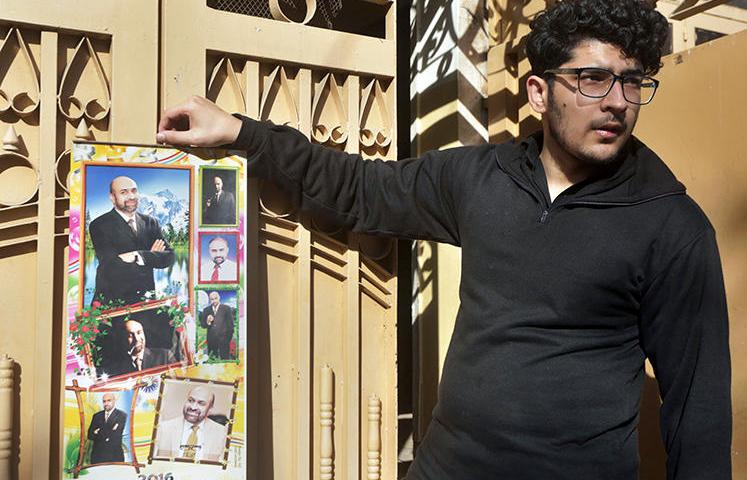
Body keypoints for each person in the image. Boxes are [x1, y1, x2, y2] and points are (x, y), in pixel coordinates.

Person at [156, 1, 731, 478]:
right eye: (592, 78)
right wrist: (242, 133)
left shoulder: (671, 226)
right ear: (538, 92)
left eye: (633, 82)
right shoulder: (479, 178)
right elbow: (362, 189)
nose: (616, 102)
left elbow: (696, 411)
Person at [89, 175, 176, 305]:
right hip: (113, 302)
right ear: (112, 197)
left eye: (134, 191)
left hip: (145, 301)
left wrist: (139, 256)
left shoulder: (150, 222)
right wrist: (153, 256)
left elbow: (169, 257)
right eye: (124, 192)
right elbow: (112, 266)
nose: (131, 196)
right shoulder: (100, 225)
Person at [153, 385, 228, 462]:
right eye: (190, 400)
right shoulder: (163, 428)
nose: (193, 407)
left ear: (210, 408)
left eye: (201, 403)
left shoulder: (222, 433)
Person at [108, 319, 176, 376]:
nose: (137, 339)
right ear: (122, 339)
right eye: (130, 335)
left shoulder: (165, 356)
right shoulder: (116, 367)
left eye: (139, 332)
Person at [87, 393, 127, 464]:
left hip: (115, 457)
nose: (106, 403)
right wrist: (110, 430)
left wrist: (97, 432)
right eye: (104, 401)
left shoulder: (122, 415)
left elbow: (115, 435)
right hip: (97, 457)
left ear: (114, 401)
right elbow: (90, 435)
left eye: (109, 400)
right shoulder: (96, 416)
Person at [199, 291, 235, 360]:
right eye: (212, 299)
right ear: (210, 300)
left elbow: (230, 325)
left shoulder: (226, 308)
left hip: (224, 340)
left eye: (216, 298)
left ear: (219, 298)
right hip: (211, 341)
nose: (214, 300)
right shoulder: (206, 310)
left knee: (225, 359)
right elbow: (203, 325)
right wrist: (207, 321)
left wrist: (227, 340)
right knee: (212, 360)